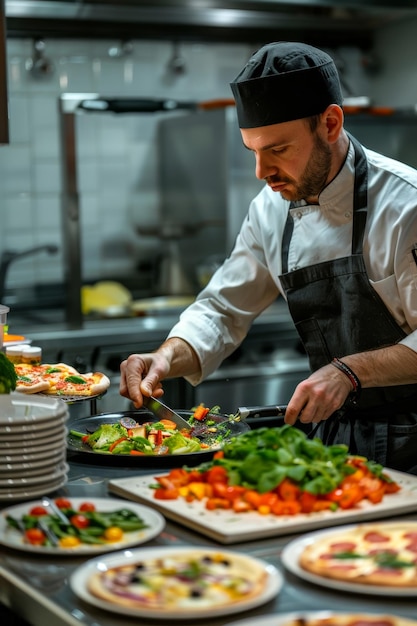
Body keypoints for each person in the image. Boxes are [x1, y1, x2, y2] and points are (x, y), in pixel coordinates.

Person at [120, 41, 417, 474]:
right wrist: (166, 356)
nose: (262, 172)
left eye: (277, 150)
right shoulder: (270, 208)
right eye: (253, 152)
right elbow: (223, 310)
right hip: (333, 449)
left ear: (330, 123)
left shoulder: (406, 206)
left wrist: (348, 372)